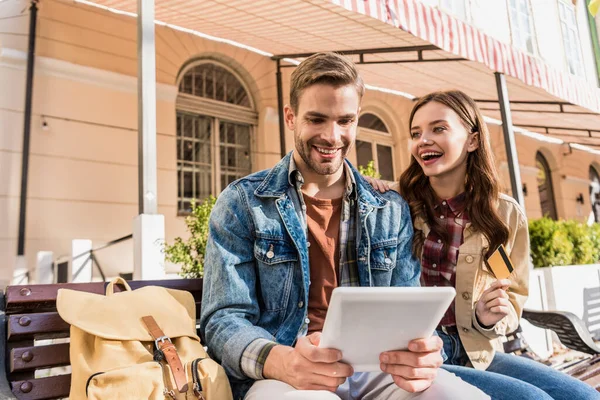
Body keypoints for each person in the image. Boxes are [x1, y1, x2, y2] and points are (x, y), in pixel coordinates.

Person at [199, 53, 488, 400]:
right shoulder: (242, 203)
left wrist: (423, 353)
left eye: (345, 121)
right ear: (291, 118)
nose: (331, 136)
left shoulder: (390, 209)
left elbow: (409, 313)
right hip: (286, 373)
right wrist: (284, 361)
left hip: (379, 369)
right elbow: (222, 321)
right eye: (317, 119)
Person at [366, 90, 600, 399]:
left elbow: (513, 293)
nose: (423, 140)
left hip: (476, 349)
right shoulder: (396, 204)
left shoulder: (504, 214)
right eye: (415, 133)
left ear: (473, 140)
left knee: (584, 396)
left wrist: (489, 317)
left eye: (438, 128)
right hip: (418, 356)